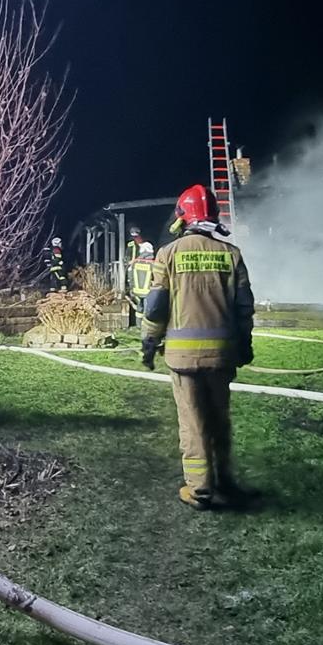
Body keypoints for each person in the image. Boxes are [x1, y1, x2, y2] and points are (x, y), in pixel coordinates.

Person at [141, 185, 255, 511]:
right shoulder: (231, 254)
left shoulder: (168, 254)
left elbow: (155, 309)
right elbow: (244, 307)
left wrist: (149, 343)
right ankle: (225, 480)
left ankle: (200, 489)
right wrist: (244, 345)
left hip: (183, 359)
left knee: (193, 423)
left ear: (182, 216)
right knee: (219, 419)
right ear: (213, 216)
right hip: (222, 355)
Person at [127, 241, 156, 326]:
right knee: (148, 311)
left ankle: (138, 326)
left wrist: (131, 288)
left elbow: (130, 277)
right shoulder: (153, 264)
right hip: (149, 292)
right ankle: (146, 328)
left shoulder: (134, 263)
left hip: (137, 291)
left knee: (139, 310)